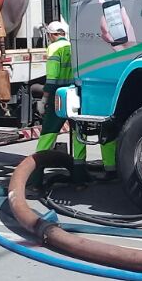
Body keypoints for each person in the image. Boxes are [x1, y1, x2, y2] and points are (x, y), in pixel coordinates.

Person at [35, 21, 117, 185]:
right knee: (79, 134)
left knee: (48, 134)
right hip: (77, 93)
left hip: (59, 96)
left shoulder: (54, 48)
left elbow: (52, 78)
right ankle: (80, 177)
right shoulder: (74, 47)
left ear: (51, 35)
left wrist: (44, 99)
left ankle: (36, 177)